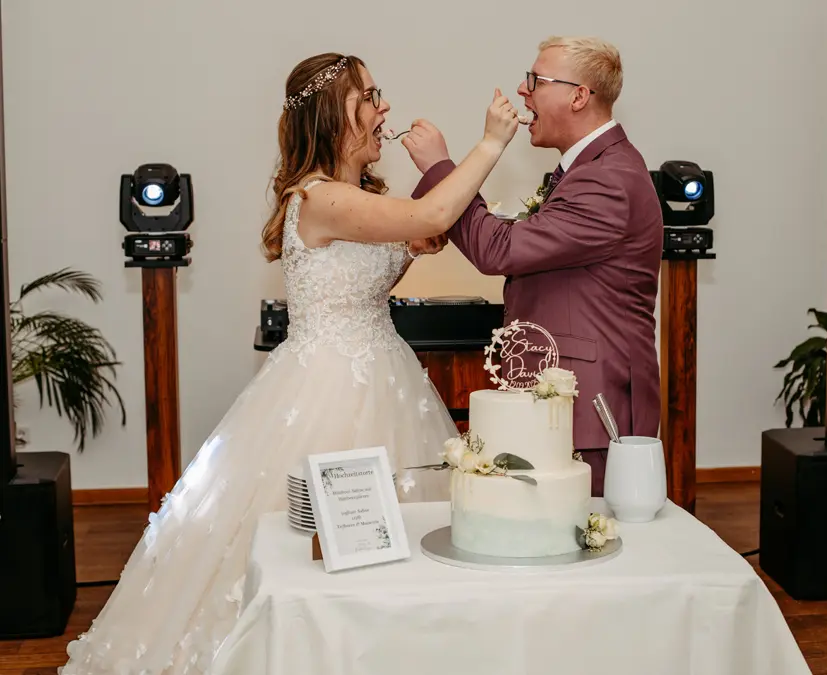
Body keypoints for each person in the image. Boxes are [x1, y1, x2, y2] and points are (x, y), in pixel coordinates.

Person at [60, 52, 519, 674]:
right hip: (325, 390)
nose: (385, 108)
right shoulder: (320, 197)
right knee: (314, 545)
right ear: (337, 117)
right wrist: (490, 142)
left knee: (395, 543)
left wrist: (408, 247)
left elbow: (375, 274)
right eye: (371, 97)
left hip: (387, 373)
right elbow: (436, 212)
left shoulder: (357, 196)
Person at [405, 36, 663, 496]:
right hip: (560, 397)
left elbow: (499, 251)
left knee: (589, 545)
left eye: (535, 81)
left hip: (591, 405)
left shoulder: (607, 179)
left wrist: (440, 168)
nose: (523, 93)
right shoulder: (590, 169)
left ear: (578, 96)